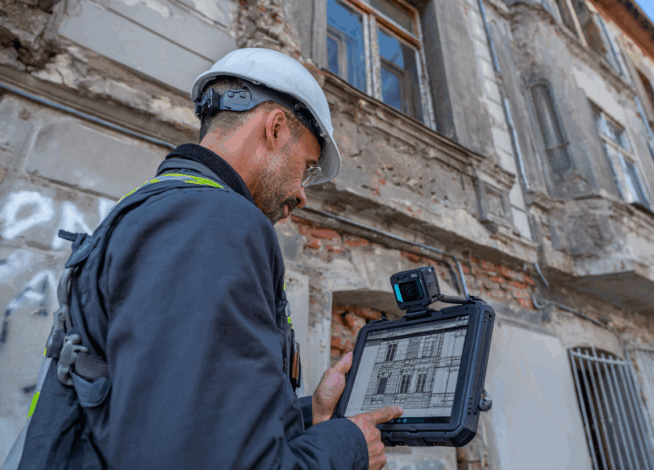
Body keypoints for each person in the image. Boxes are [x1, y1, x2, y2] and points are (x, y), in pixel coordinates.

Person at [8, 48, 402, 470]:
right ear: (275, 128)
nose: (302, 195)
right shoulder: (215, 223)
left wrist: (310, 414)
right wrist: (347, 447)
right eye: (306, 168)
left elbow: (172, 414)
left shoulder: (161, 208)